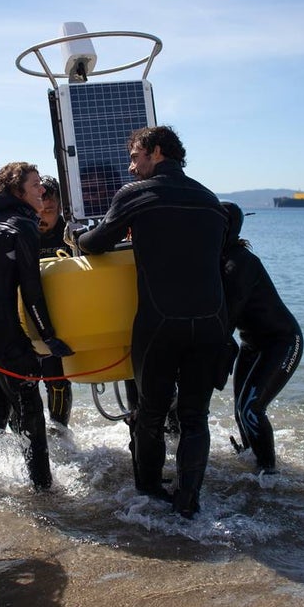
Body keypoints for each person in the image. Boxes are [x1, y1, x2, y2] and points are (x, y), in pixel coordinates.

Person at [73, 125, 227, 518]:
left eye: (135, 157)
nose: (130, 167)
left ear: (156, 152)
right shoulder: (210, 199)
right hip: (211, 324)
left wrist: (76, 236)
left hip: (161, 324)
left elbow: (97, 242)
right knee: (195, 417)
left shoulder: (137, 194)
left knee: (151, 414)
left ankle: (149, 496)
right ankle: (189, 504)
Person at [0, 162, 73, 493]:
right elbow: (31, 289)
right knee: (30, 407)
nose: (42, 190)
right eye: (35, 185)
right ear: (17, 191)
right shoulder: (23, 225)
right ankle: (43, 488)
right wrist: (49, 338)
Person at [219, 202, 303, 473]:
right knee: (241, 410)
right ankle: (252, 459)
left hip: (283, 342)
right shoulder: (221, 256)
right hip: (252, 343)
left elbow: (226, 320)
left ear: (224, 227)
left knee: (251, 409)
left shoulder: (238, 263)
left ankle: (269, 474)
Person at [35, 175, 73, 428]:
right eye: (39, 208)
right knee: (26, 379)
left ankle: (60, 432)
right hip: (30, 313)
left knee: (57, 380)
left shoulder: (70, 232)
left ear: (60, 206)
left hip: (61, 315)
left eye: (50, 209)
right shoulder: (24, 231)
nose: (44, 214)